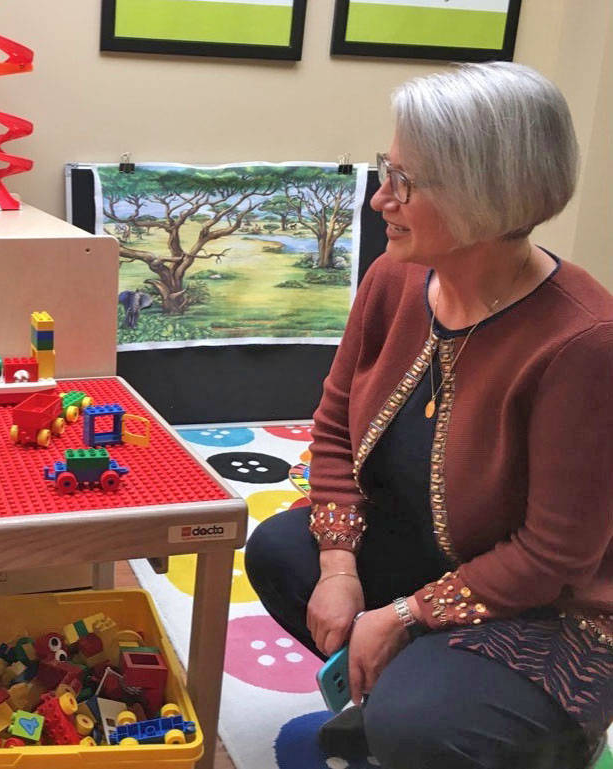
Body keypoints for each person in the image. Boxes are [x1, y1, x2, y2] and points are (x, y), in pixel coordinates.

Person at [245, 62, 613, 769]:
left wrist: (404, 614)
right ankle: (407, 691)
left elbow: (555, 558)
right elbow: (330, 429)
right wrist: (339, 565)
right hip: (432, 549)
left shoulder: (583, 343)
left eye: (405, 180)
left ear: (484, 194)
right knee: (283, 552)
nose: (381, 196)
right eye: (387, 168)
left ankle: (534, 735)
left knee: (419, 724)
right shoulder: (394, 276)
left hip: (551, 609)